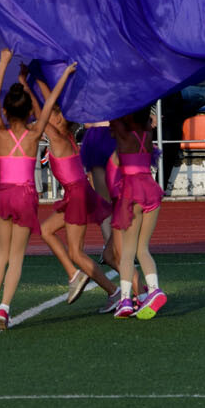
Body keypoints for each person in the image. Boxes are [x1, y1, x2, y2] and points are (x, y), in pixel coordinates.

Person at [0, 49, 74, 330]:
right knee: (16, 257)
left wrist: (3, 62)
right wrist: (66, 74)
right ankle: (5, 309)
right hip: (25, 195)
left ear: (7, 110)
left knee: (1, 253)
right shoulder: (35, 134)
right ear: (26, 110)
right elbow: (48, 105)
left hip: (5, 193)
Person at [30, 70, 120, 310]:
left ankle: (114, 291)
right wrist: (38, 77)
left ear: (59, 120)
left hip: (77, 193)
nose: (50, 118)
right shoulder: (66, 133)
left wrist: (26, 86)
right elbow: (51, 104)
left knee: (76, 251)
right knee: (46, 229)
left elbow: (44, 110)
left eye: (54, 116)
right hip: (77, 191)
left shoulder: (58, 137)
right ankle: (73, 274)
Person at [109, 104, 166, 320]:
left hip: (131, 192)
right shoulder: (148, 132)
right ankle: (153, 290)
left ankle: (125, 300)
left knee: (128, 252)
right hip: (150, 189)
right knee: (143, 249)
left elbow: (112, 117)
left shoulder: (122, 133)